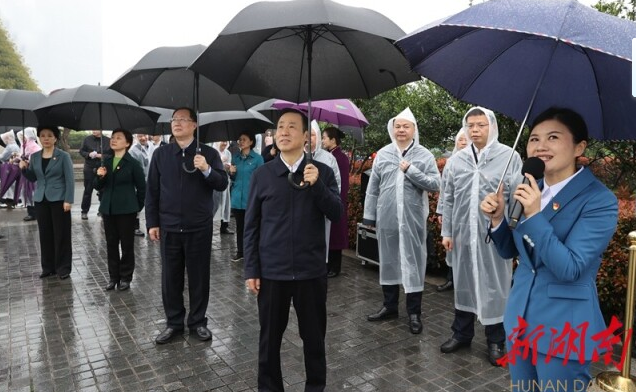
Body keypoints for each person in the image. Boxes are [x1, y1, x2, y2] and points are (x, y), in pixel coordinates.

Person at [481, 107, 618, 387]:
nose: (540, 146)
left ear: (580, 146)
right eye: (533, 139)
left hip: (563, 328)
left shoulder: (599, 200)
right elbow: (513, 253)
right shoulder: (531, 188)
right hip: (519, 319)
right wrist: (497, 220)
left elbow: (571, 268)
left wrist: (535, 215)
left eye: (553, 137)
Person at [244, 109, 342, 392]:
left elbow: (336, 213)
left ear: (304, 136)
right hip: (272, 273)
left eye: (291, 127)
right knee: (269, 341)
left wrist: (318, 186)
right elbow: (251, 226)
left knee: (313, 340)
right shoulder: (263, 174)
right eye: (280, 127)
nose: (283, 132)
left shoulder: (320, 172)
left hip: (310, 272)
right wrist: (252, 268)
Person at [439, 106, 522, 366]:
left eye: (480, 125)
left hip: (494, 236)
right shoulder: (457, 160)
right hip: (464, 234)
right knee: (463, 283)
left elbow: (519, 198)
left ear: (492, 127)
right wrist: (447, 231)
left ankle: (496, 340)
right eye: (470, 125)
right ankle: (461, 333)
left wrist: (513, 234)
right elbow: (449, 198)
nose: (474, 130)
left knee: (495, 287)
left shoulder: (509, 157)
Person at [146, 107, 228, 344]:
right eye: (174, 120)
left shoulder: (208, 154)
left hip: (199, 227)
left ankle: (198, 322)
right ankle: (173, 323)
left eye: (183, 119)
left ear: (194, 125)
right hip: (169, 226)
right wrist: (153, 222)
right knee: (170, 278)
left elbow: (222, 184)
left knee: (199, 277)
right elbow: (152, 191)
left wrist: (207, 169)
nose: (177, 123)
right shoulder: (161, 155)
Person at [363, 107, 441, 335]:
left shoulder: (424, 155)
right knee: (388, 260)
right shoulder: (383, 154)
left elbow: (436, 184)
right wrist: (369, 216)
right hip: (387, 218)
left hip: (413, 220)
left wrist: (412, 171)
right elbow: (373, 189)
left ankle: (414, 312)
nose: (401, 130)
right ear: (392, 128)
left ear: (414, 129)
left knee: (414, 262)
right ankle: (389, 306)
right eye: (398, 126)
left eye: (406, 126)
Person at [19, 126, 74, 280]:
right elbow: (33, 177)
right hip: (41, 199)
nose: (46, 138)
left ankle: (63, 267)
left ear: (55, 138)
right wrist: (24, 169)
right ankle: (48, 267)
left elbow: (69, 179)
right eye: (42, 136)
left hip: (59, 200)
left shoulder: (63, 156)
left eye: (50, 135)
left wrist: (68, 199)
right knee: (45, 234)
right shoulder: (35, 156)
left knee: (61, 234)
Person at [94, 129, 146, 291]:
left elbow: (142, 188)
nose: (114, 140)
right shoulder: (106, 162)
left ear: (128, 143)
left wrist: (136, 206)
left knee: (127, 245)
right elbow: (97, 186)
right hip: (108, 209)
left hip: (126, 210)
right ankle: (113, 277)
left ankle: (126, 277)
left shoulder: (133, 163)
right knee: (111, 244)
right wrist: (99, 176)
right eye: (113, 137)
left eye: (118, 138)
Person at [436, 130, 468, 292]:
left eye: (465, 139)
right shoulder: (451, 161)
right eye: (460, 139)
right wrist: (441, 211)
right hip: (453, 212)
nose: (463, 142)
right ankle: (451, 279)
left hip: (468, 213)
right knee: (451, 246)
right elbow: (444, 190)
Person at [228, 132, 264, 262]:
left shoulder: (258, 159)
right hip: (238, 198)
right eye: (239, 140)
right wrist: (231, 173)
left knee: (252, 226)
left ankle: (253, 251)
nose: (241, 142)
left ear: (251, 142)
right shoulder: (235, 158)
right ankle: (240, 251)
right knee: (239, 226)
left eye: (244, 139)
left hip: (252, 198)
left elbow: (262, 179)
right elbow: (233, 178)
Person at [321, 125, 350, 278]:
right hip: (331, 200)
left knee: (335, 236)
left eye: (324, 137)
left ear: (333, 140)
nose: (322, 141)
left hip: (337, 201)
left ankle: (335, 267)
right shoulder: (330, 155)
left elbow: (342, 184)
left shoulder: (340, 158)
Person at [79, 130, 111, 220]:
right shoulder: (87, 139)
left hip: (102, 167)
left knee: (103, 190)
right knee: (87, 190)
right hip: (89, 168)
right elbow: (81, 151)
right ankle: (84, 211)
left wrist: (102, 156)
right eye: (92, 129)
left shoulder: (108, 140)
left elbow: (111, 155)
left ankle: (102, 210)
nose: (94, 130)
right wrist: (89, 154)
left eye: (96, 129)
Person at [128, 133, 153, 237]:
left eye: (145, 135)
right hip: (140, 182)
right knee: (138, 204)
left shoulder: (151, 146)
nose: (143, 138)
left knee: (151, 204)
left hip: (151, 180)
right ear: (136, 137)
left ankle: (150, 226)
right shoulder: (133, 151)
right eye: (140, 136)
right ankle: (135, 227)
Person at [16, 128, 42, 221]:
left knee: (32, 192)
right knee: (26, 192)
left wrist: (27, 161)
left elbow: (36, 160)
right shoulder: (24, 146)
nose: (22, 138)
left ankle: (34, 213)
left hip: (32, 173)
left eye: (23, 136)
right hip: (25, 173)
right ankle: (31, 212)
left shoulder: (34, 147)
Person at [212, 141, 233, 235]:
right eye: (222, 141)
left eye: (225, 141)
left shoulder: (228, 153)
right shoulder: (213, 152)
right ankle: (208, 226)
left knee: (225, 204)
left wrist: (229, 168)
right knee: (214, 204)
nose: (224, 143)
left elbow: (229, 168)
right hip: (214, 182)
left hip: (225, 180)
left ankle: (224, 226)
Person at [0, 130, 21, 208]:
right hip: (15, 167)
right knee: (13, 185)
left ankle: (5, 200)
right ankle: (12, 200)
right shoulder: (15, 145)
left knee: (7, 183)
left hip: (10, 167)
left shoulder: (10, 146)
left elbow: (3, 157)